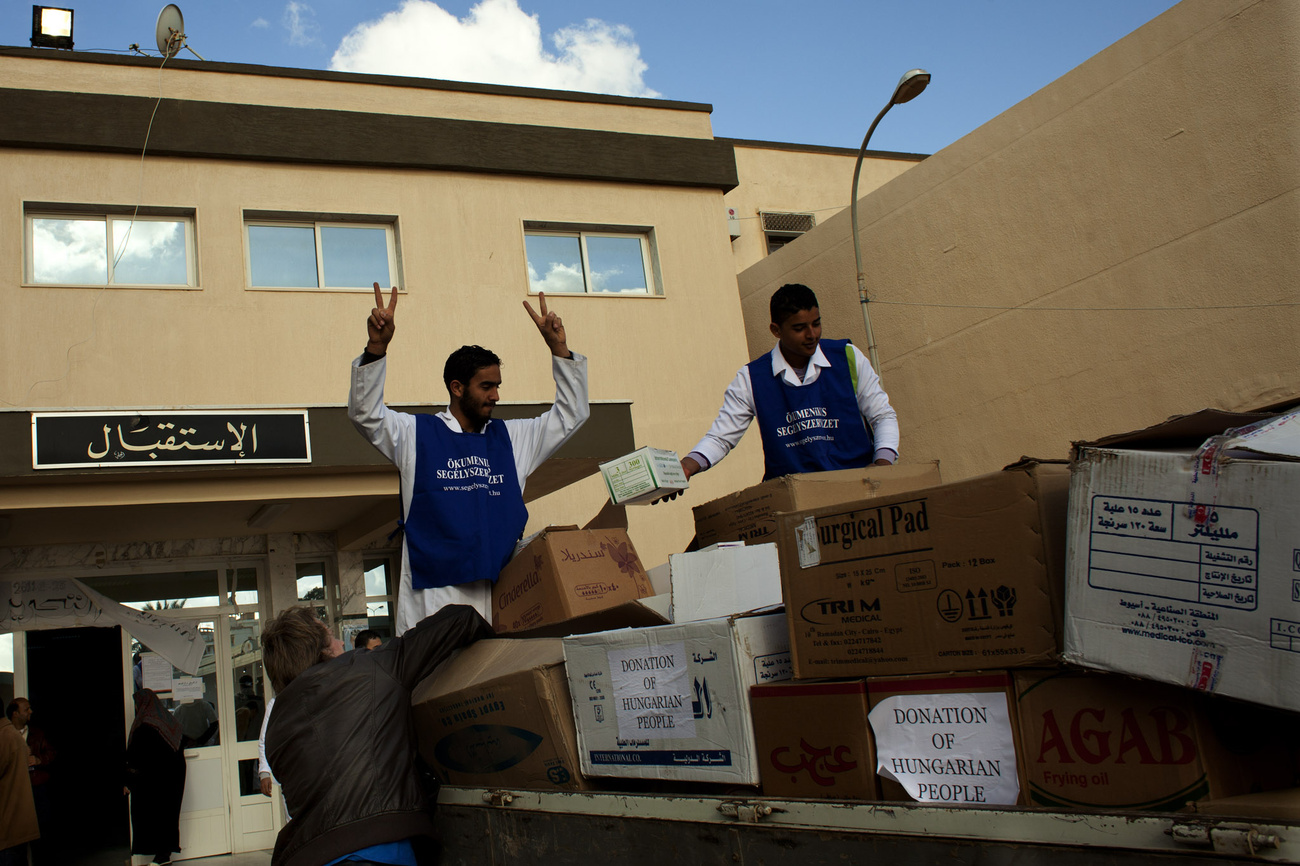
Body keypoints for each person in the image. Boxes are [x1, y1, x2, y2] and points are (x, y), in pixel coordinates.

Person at [349, 283, 589, 633]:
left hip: (501, 597)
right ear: (457, 388)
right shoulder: (416, 434)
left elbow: (571, 414)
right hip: (433, 604)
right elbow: (365, 414)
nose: (496, 395)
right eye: (486, 387)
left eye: (497, 385)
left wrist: (560, 350)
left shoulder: (512, 438)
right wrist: (376, 348)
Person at [261, 603, 491, 866]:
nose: (341, 643)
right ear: (324, 649)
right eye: (333, 637)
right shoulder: (370, 668)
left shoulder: (276, 728)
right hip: (377, 853)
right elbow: (461, 619)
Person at [681, 283, 899, 482]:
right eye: (799, 328)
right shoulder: (751, 378)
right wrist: (687, 467)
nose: (811, 334)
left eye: (816, 323)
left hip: (857, 486)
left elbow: (882, 416)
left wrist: (883, 464)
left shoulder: (848, 357)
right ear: (776, 330)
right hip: (793, 497)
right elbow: (721, 438)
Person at [124, 689, 186, 866]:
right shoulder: (169, 722)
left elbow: (135, 756)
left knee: (153, 817)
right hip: (172, 780)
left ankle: (161, 856)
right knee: (168, 816)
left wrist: (129, 780)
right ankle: (163, 855)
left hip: (152, 783)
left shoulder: (145, 726)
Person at [6, 699, 54, 863]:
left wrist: (39, 760)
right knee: (17, 839)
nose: (30, 712)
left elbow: (52, 755)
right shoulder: (6, 735)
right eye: (26, 709)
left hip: (36, 789)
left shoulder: (37, 734)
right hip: (15, 791)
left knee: (40, 836)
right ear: (15, 713)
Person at [1, 701, 38, 866]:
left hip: (8, 826)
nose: (30, 712)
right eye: (26, 709)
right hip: (14, 825)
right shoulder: (11, 734)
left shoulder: (4, 736)